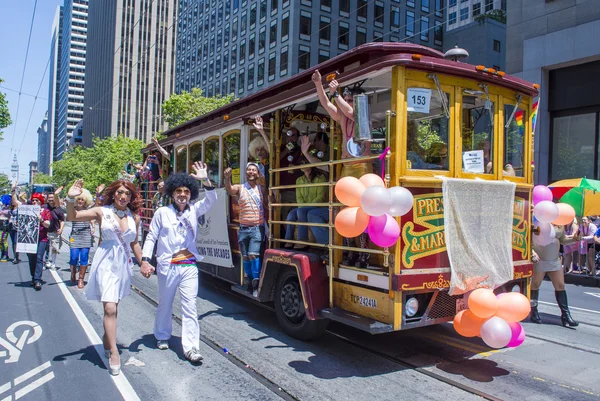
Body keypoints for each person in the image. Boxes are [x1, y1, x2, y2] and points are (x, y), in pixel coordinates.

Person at [66, 178, 144, 376]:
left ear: (131, 196)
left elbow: (134, 243)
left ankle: (107, 337)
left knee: (114, 307)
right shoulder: (102, 212)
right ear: (113, 194)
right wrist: (70, 198)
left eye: (127, 193)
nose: (123, 196)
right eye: (119, 192)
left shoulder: (134, 217)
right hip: (106, 263)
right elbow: (73, 216)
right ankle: (114, 352)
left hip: (123, 266)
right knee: (109, 307)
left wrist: (143, 261)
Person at [140, 163, 216, 364]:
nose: (182, 194)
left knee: (190, 306)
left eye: (186, 191)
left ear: (190, 193)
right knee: (165, 303)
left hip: (189, 265)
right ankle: (162, 335)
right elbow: (151, 237)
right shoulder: (162, 213)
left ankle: (191, 347)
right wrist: (145, 260)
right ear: (172, 194)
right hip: (167, 266)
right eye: (178, 191)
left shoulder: (195, 209)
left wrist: (205, 179)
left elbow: (212, 199)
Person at [312, 69, 371, 267]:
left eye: (350, 99)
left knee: (362, 211)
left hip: (362, 167)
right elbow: (326, 104)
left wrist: (336, 94)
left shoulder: (361, 115)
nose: (346, 101)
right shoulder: (343, 117)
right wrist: (319, 85)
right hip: (347, 167)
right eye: (345, 98)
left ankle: (363, 253)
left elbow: (351, 112)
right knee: (345, 209)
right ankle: (349, 250)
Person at [224, 163, 267, 296]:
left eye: (254, 170)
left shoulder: (261, 189)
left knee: (254, 254)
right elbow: (230, 190)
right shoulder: (241, 188)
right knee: (246, 257)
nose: (251, 172)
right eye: (249, 169)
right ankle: (248, 283)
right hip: (243, 229)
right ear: (246, 172)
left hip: (256, 228)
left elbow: (268, 200)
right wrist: (227, 178)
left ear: (257, 173)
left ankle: (256, 285)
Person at [530, 224, 578, 327]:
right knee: (535, 285)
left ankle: (566, 315)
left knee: (560, 286)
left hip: (554, 260)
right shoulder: (535, 221)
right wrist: (532, 252)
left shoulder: (559, 224)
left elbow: (563, 240)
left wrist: (574, 239)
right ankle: (534, 311)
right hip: (540, 260)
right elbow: (527, 240)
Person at [11, 188, 52, 291]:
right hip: (29, 238)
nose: (34, 202)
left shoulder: (45, 211)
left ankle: (38, 279)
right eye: (33, 200)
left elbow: (48, 224)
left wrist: (41, 220)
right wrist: (13, 191)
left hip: (41, 238)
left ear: (41, 201)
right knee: (32, 259)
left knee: (39, 258)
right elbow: (15, 202)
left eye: (37, 200)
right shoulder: (27, 210)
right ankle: (34, 277)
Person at [284, 160, 327, 249]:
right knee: (291, 215)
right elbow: (298, 198)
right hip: (303, 207)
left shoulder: (320, 178)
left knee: (301, 211)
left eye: (306, 163)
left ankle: (302, 240)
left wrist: (306, 206)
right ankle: (288, 240)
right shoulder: (299, 180)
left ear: (311, 165)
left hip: (317, 206)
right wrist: (304, 206)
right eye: (302, 164)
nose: (304, 166)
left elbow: (320, 197)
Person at [68, 188, 95, 288]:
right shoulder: (72, 209)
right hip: (74, 236)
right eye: (78, 199)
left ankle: (81, 279)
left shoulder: (89, 210)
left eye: (82, 200)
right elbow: (61, 206)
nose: (80, 201)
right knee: (73, 257)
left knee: (84, 258)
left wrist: (98, 193)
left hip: (86, 236)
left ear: (86, 201)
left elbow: (97, 204)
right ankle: (73, 272)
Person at [44, 188, 65, 270]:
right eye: (49, 198)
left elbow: (62, 220)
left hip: (54, 232)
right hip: (45, 232)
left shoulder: (58, 209)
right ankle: (45, 262)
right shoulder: (44, 207)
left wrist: (61, 229)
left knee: (54, 248)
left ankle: (53, 262)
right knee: (45, 248)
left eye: (52, 198)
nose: (51, 200)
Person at [0, 195, 11, 262]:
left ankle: (6, 255)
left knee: (3, 240)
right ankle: (3, 253)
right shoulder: (2, 207)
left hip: (5, 224)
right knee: (0, 240)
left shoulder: (9, 208)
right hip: (0, 223)